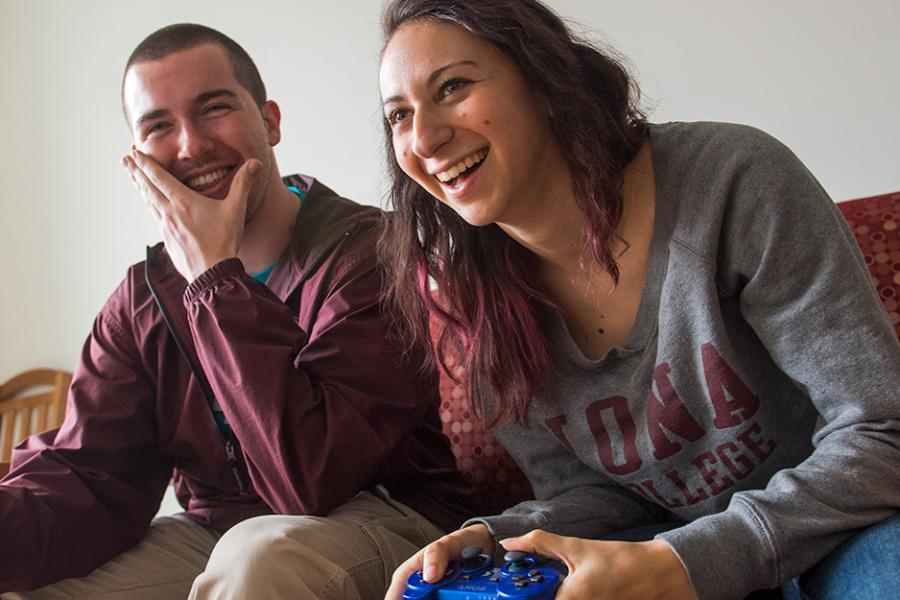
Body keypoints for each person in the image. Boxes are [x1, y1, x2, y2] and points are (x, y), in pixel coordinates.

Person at [376, 1, 900, 599]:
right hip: (669, 558)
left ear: (544, 82)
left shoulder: (735, 182)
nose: (425, 136)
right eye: (398, 115)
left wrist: (689, 562)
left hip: (839, 535)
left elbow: (883, 431)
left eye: (453, 86)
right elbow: (599, 498)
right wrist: (498, 540)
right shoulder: (480, 303)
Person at [0, 23, 479, 599]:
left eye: (214, 108)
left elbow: (313, 479)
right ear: (137, 157)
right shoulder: (144, 298)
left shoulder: (370, 252)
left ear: (270, 121)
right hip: (220, 531)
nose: (191, 145)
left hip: (390, 517)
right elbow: (91, 472)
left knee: (257, 559)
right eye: (158, 127)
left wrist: (212, 276)